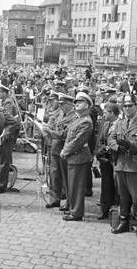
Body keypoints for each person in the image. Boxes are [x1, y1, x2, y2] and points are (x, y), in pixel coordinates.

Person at [108, 94, 137, 242]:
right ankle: (123, 222)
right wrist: (117, 147)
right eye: (125, 105)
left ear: (136, 106)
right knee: (123, 196)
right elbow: (111, 138)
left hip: (134, 165)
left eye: (130, 105)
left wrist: (130, 145)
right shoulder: (119, 123)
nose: (127, 108)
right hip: (120, 164)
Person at [60, 92, 95, 221]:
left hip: (78, 155)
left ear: (87, 105)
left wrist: (65, 150)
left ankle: (76, 212)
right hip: (73, 155)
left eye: (80, 102)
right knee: (72, 184)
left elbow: (77, 141)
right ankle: (72, 208)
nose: (76, 104)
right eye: (76, 102)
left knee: (76, 186)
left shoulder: (86, 121)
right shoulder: (78, 118)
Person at [44, 93, 77, 210]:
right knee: (54, 175)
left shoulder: (74, 117)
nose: (60, 106)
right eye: (60, 104)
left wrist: (50, 132)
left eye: (62, 104)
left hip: (65, 149)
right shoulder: (59, 114)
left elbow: (65, 134)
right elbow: (51, 125)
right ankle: (54, 199)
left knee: (67, 178)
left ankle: (69, 202)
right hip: (55, 148)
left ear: (69, 104)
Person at [0, 82, 21, 194]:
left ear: (5, 93)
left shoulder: (8, 103)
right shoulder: (5, 102)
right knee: (3, 159)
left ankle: (1, 185)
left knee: (4, 160)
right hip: (6, 133)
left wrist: (4, 136)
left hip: (9, 134)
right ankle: (1, 182)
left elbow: (7, 119)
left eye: (1, 92)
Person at [95, 102, 120, 219]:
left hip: (117, 159)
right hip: (105, 160)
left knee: (117, 186)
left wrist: (112, 148)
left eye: (106, 112)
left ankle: (116, 211)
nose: (104, 115)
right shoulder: (105, 124)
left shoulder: (121, 124)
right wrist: (101, 150)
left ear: (112, 113)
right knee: (105, 185)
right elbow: (100, 140)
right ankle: (104, 209)